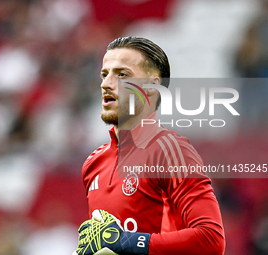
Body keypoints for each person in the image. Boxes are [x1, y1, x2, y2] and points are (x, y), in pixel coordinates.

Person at [74, 37, 225, 255]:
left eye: (122, 74)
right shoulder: (93, 163)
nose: (105, 84)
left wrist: (128, 242)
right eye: (104, 74)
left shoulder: (169, 150)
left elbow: (211, 240)